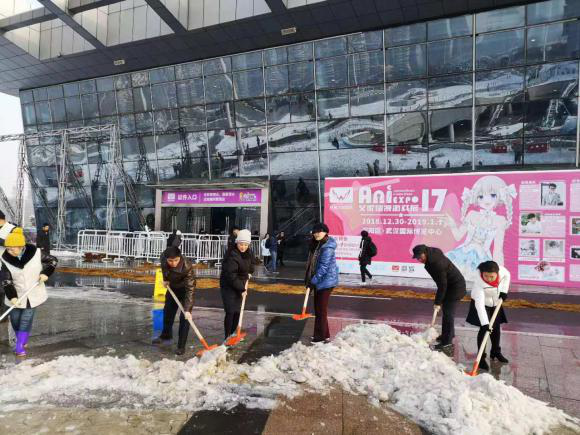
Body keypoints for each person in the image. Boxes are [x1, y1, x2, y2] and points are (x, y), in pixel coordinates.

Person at [445, 175, 517, 280]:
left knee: (477, 284)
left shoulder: (500, 220)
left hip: (481, 259)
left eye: (492, 195)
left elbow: (498, 250)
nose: (486, 200)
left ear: (500, 197)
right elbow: (458, 236)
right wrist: (451, 223)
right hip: (462, 255)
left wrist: (500, 274)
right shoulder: (472, 214)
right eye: (481, 196)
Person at [1, 228, 57, 356]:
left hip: (33, 293)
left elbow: (53, 261)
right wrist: (12, 297)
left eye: (12, 249)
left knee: (25, 319)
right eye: (8, 249)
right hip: (15, 293)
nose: (9, 251)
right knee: (15, 319)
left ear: (21, 246)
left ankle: (20, 345)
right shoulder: (5, 259)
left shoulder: (36, 253)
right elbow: (6, 280)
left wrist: (45, 273)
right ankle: (22, 338)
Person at [412, 244, 466, 351]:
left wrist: (437, 302)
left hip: (455, 288)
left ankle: (447, 343)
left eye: (420, 257)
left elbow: (442, 285)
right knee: (446, 312)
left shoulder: (436, 264)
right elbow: (442, 284)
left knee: (448, 314)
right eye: (417, 258)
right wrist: (440, 301)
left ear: (425, 252)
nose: (419, 260)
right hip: (450, 286)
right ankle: (448, 334)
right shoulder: (432, 257)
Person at [466, 260, 510, 371]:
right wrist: (485, 324)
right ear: (482, 273)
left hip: (495, 302)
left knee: (496, 328)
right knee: (484, 330)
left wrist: (504, 291)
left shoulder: (502, 272)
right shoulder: (479, 285)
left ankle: (495, 352)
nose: (489, 279)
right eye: (486, 276)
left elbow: (507, 276)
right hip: (482, 304)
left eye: (492, 277)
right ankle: (481, 358)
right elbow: (480, 306)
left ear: (497, 273)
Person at [153, 246, 196, 355]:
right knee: (168, 312)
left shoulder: (187, 266)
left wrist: (187, 309)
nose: (173, 263)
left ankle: (181, 346)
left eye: (176, 260)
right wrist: (166, 280)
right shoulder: (163, 258)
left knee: (185, 318)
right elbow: (164, 269)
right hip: (173, 288)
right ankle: (166, 335)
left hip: (185, 291)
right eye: (170, 261)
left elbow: (190, 289)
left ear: (179, 257)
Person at [305, 223, 339, 343]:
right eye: (314, 232)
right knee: (320, 309)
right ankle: (325, 334)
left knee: (320, 310)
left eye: (319, 231)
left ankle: (320, 337)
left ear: (325, 232)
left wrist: (313, 281)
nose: (316, 234)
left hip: (325, 282)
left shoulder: (327, 247)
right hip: (320, 281)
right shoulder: (319, 244)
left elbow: (323, 268)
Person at [220, 229, 254, 340]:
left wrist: (250, 272)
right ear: (237, 243)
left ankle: (233, 334)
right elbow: (231, 276)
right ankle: (227, 336)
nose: (243, 247)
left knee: (237, 311)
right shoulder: (232, 255)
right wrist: (242, 289)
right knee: (230, 311)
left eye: (245, 245)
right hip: (229, 286)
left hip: (240, 285)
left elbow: (251, 264)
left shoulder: (248, 253)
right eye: (241, 244)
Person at [0, 210, 16, 321]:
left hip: (6, 265)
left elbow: (17, 245)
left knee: (4, 291)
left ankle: (3, 316)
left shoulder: (13, 229)